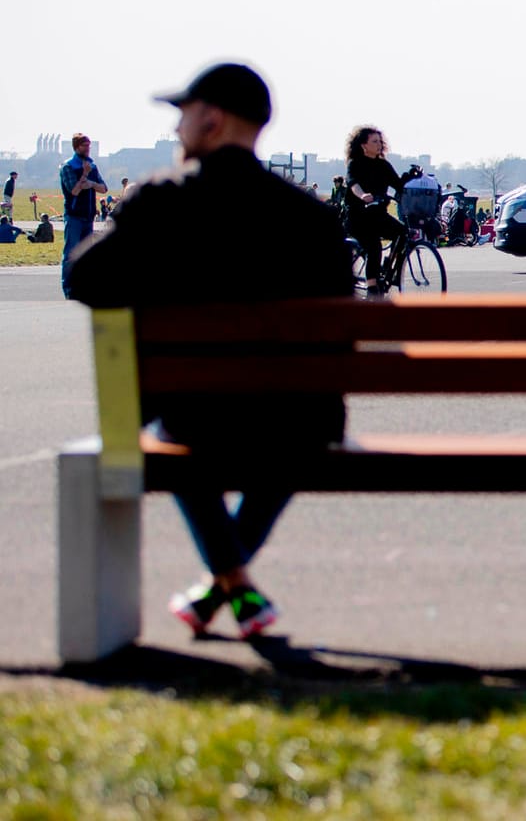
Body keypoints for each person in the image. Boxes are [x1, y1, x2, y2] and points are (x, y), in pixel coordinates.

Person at [67, 61, 354, 640]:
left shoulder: (159, 200)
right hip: (295, 418)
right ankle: (232, 585)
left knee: (178, 433)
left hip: (192, 413)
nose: (176, 131)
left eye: (182, 117)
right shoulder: (314, 219)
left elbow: (86, 282)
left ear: (211, 120)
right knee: (298, 432)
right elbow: (339, 335)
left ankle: (230, 582)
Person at [345, 126, 410, 294]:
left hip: (378, 215)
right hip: (358, 217)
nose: (379, 145)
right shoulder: (355, 164)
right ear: (363, 145)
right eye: (374, 141)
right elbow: (353, 184)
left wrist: (410, 179)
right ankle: (372, 288)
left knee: (403, 233)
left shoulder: (383, 165)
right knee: (373, 247)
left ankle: (389, 266)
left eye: (380, 141)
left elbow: (398, 184)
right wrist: (363, 195)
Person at [59, 134, 108, 298]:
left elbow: (103, 188)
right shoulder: (68, 166)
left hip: (88, 215)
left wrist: (92, 183)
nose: (87, 149)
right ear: (76, 147)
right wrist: (84, 175)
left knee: (86, 254)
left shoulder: (92, 165)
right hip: (74, 215)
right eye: (83, 146)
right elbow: (73, 190)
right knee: (71, 253)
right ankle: (69, 290)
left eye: (89, 146)